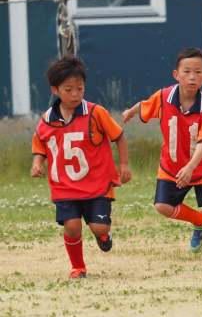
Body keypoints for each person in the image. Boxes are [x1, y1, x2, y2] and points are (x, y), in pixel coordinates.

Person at [122, 47, 202, 252]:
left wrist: (191, 167)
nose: (192, 77)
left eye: (198, 72)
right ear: (176, 74)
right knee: (162, 207)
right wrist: (130, 111)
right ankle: (201, 221)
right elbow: (145, 104)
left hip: (200, 167)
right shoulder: (164, 97)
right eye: (187, 71)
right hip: (171, 166)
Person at [30, 55, 131, 279]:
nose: (75, 94)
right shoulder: (47, 119)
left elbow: (119, 136)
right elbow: (40, 143)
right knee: (72, 226)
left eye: (80, 88)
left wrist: (123, 164)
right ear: (55, 90)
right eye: (68, 89)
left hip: (97, 185)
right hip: (64, 188)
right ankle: (78, 267)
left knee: (99, 228)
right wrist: (37, 163)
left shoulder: (96, 113)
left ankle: (104, 236)